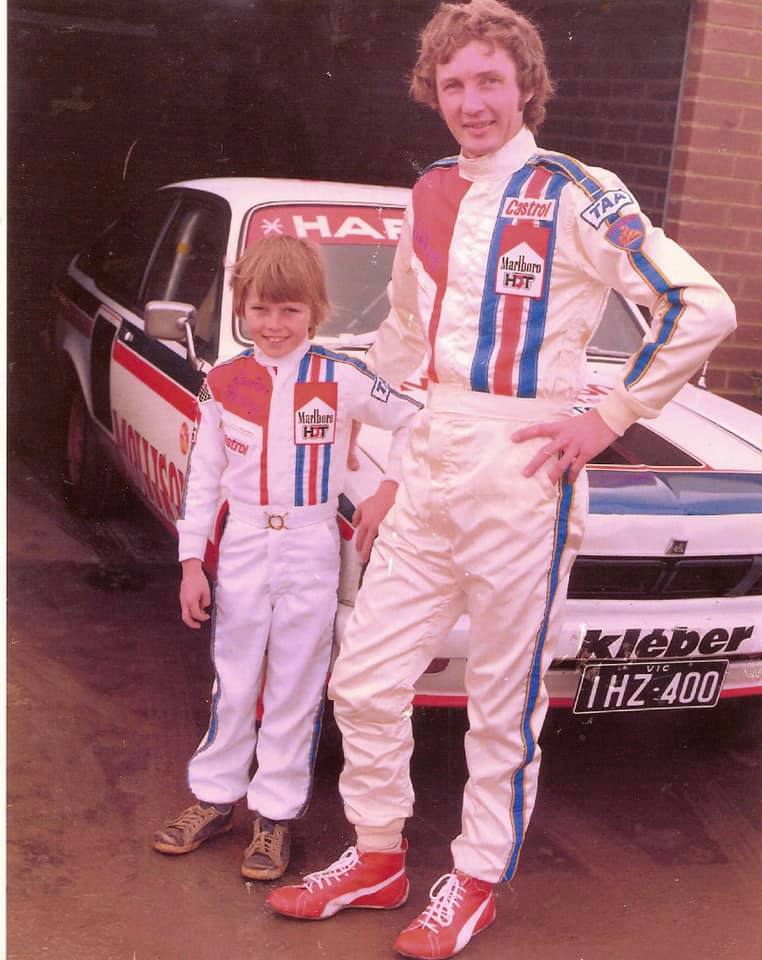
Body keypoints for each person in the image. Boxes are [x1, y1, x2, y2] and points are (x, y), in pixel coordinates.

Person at [266, 0, 736, 956]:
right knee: (364, 680)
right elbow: (406, 336)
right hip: (433, 457)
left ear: (526, 87)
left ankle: (475, 879)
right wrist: (377, 446)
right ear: (432, 94)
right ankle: (377, 855)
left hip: (524, 467)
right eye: (453, 84)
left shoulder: (576, 190)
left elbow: (701, 306)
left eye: (490, 80)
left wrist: (608, 417)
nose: (471, 101)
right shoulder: (430, 190)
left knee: (502, 698)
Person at [152, 235, 422, 881]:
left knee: (297, 682)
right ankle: (215, 796)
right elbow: (203, 477)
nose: (274, 325)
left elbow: (416, 420)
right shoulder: (222, 382)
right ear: (241, 309)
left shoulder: (341, 376)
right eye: (260, 310)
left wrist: (389, 489)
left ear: (315, 311)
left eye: (290, 310)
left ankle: (274, 815)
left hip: (310, 542)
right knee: (234, 674)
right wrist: (190, 563)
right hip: (244, 540)